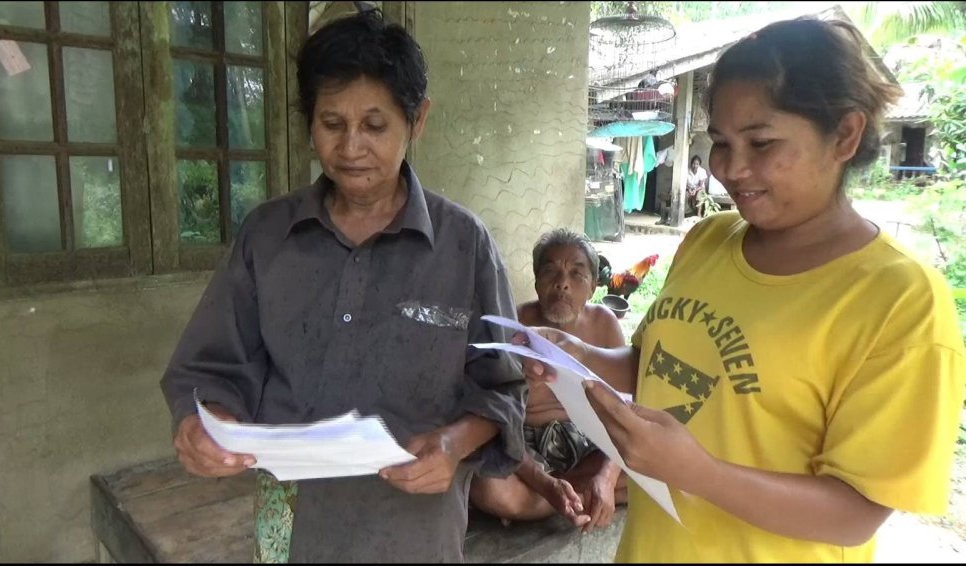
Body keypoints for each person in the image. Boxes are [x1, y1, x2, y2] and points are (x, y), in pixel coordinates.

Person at [516, 17, 966, 563]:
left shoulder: (899, 301)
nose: (731, 168)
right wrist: (578, 355)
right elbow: (661, 366)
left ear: (845, 135)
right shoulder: (708, 240)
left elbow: (856, 513)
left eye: (761, 142)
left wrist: (697, 472)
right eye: (721, 143)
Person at [159, 9, 526, 563]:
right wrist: (204, 424)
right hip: (292, 528)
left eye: (375, 126)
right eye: (332, 124)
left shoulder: (464, 246)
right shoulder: (268, 236)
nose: (351, 147)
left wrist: (453, 444)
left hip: (414, 533)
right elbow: (211, 366)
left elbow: (503, 388)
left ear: (417, 120)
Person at [469, 229, 627, 533]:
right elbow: (497, 422)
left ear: (593, 286)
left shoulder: (604, 324)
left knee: (660, 465)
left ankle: (557, 501)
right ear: (537, 281)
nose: (562, 283)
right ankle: (576, 496)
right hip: (525, 452)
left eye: (576, 274)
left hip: (589, 445)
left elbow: (625, 410)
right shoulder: (514, 326)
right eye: (550, 271)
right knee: (489, 489)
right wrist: (543, 483)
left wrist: (606, 478)